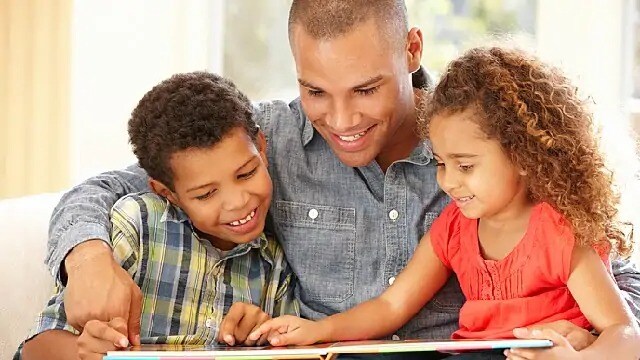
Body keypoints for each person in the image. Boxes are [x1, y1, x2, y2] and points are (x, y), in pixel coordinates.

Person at [44, 1, 640, 359]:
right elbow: (113, 187)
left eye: (365, 89)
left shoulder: (481, 142)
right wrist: (89, 258)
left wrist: (585, 336)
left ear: (410, 50)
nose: (342, 121)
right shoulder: (264, 145)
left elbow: (618, 281)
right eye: (314, 91)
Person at [246, 46, 640, 359]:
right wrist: (321, 330)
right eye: (439, 163)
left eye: (465, 165)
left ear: (523, 156)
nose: (449, 181)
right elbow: (391, 305)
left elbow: (625, 334)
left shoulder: (557, 232)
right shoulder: (454, 228)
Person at [18, 72, 298, 360]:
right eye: (205, 194)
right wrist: (83, 352)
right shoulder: (135, 226)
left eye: (247, 173)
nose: (238, 202)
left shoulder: (272, 262)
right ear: (167, 193)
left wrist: (259, 338)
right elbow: (33, 350)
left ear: (262, 148)